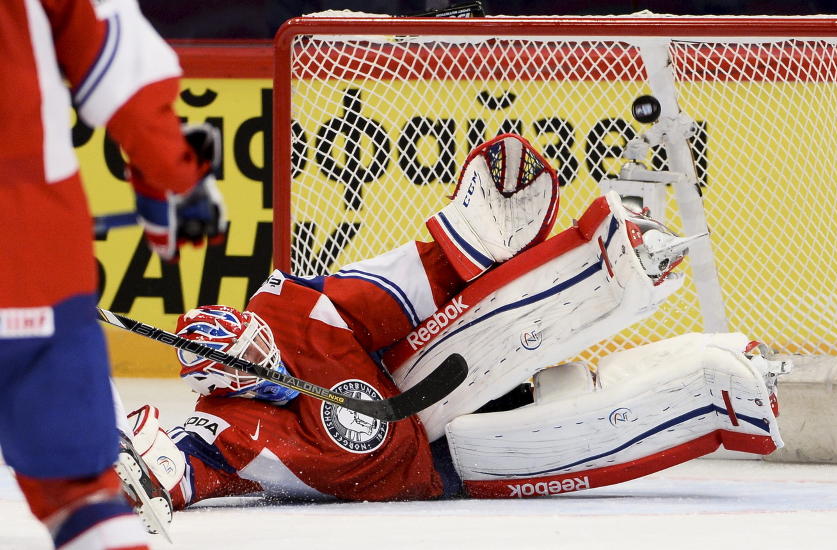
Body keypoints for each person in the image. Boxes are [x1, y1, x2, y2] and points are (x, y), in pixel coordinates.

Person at [120, 134, 788, 527]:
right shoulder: (243, 433)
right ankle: (725, 386)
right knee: (558, 423)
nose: (249, 356)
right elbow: (184, 461)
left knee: (462, 303)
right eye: (233, 357)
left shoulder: (300, 316)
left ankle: (596, 261)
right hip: (430, 462)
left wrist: (468, 257)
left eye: (240, 343)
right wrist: (151, 463)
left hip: (409, 389)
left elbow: (380, 290)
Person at [0, 0, 227, 548]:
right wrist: (175, 175)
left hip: (33, 251)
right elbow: (123, 72)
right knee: (81, 499)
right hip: (30, 254)